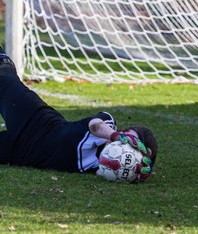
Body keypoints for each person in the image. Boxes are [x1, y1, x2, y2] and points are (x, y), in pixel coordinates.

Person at [0, 47, 158, 181]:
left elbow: (121, 172)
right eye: (126, 138)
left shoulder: (105, 168)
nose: (124, 145)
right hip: (35, 120)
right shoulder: (107, 125)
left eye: (131, 147)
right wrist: (114, 135)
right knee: (4, 73)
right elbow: (95, 126)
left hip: (22, 153)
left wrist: (135, 172)